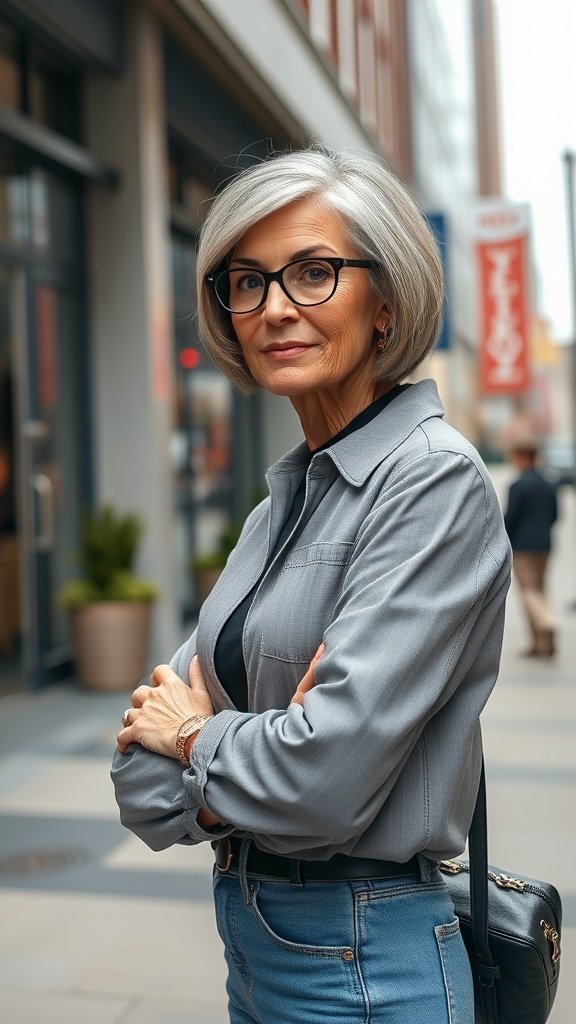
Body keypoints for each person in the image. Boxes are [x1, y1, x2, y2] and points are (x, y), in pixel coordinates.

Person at [111, 148, 511, 1024]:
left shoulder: (432, 482)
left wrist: (198, 739)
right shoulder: (277, 508)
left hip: (365, 961)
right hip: (256, 944)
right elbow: (136, 785)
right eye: (246, 282)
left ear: (387, 303)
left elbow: (321, 783)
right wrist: (241, 750)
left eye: (314, 272)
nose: (274, 307)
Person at [504, 443, 558, 657]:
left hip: (523, 547)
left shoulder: (518, 486)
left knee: (529, 591)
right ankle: (539, 644)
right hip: (545, 544)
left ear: (522, 457)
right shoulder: (548, 484)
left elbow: (511, 518)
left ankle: (547, 621)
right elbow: (555, 515)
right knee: (541, 588)